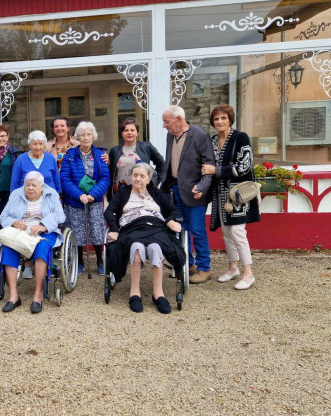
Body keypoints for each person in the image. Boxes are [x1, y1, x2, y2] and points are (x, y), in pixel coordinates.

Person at [104, 163, 185, 314]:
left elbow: (173, 210)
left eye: (142, 176)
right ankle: (134, 293)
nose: (138, 179)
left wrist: (170, 220)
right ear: (131, 177)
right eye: (135, 175)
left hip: (156, 227)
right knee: (136, 248)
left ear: (149, 179)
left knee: (155, 247)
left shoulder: (156, 193)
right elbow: (109, 212)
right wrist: (114, 229)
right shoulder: (123, 193)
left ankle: (158, 294)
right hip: (131, 227)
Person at [201, 105, 260, 290]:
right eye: (216, 119)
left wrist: (217, 170)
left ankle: (248, 273)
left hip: (238, 194)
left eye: (223, 118)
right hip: (220, 194)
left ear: (230, 120)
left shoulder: (240, 137)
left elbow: (245, 165)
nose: (219, 122)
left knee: (237, 231)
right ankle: (233, 267)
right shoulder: (212, 141)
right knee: (226, 231)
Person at [0, 171, 66, 314]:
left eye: (34, 185)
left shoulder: (51, 194)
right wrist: (14, 222)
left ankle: (38, 296)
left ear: (42, 186)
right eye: (27, 185)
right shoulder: (16, 194)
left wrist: (44, 225)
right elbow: (3, 216)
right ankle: (13, 297)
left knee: (41, 250)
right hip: (20, 234)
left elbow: (60, 216)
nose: (30, 188)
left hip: (44, 233)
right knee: (8, 250)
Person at [160, 104, 215, 283]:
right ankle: (188, 264)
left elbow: (209, 166)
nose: (164, 126)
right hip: (175, 190)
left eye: (167, 122)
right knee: (180, 230)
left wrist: (202, 187)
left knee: (197, 230)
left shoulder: (199, 135)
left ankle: (204, 268)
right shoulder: (171, 136)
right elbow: (169, 162)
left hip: (195, 192)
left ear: (179, 119)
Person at [60, 121, 110, 276]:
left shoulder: (100, 155)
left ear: (93, 137)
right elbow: (65, 178)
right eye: (83, 135)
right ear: (78, 138)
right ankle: (79, 261)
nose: (86, 137)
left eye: (89, 134)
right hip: (75, 201)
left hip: (93, 201)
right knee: (77, 232)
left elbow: (105, 178)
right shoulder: (70, 155)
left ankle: (100, 261)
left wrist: (92, 195)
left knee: (96, 230)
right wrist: (79, 194)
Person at [105, 117, 165, 196]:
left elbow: (161, 163)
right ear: (122, 133)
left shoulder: (147, 147)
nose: (129, 133)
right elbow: (110, 172)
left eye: (132, 130)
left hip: (142, 193)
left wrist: (154, 181)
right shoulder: (114, 151)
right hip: (120, 193)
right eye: (126, 130)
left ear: (137, 132)